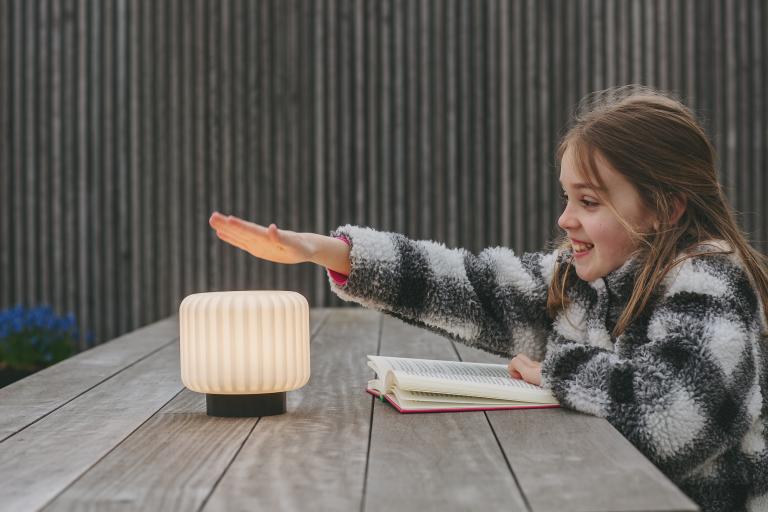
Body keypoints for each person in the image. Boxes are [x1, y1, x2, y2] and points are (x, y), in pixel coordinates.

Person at [208, 85, 768, 512]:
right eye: (567, 197)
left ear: (667, 208)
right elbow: (471, 286)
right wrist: (326, 251)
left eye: (590, 201)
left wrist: (557, 367)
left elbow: (679, 418)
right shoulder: (587, 281)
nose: (565, 219)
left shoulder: (708, 280)